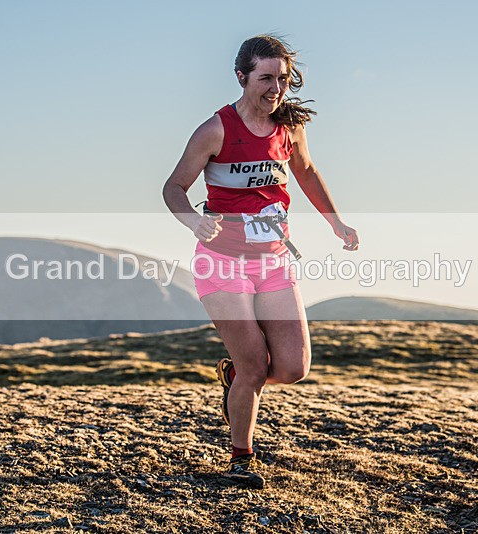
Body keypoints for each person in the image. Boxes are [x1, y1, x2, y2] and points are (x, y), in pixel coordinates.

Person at [162, 35, 359, 489]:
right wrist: (194, 221)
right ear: (242, 77)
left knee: (291, 367)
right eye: (266, 78)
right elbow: (173, 187)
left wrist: (337, 223)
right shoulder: (215, 130)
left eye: (283, 80)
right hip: (221, 261)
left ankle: (233, 377)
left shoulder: (289, 128)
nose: (276, 89)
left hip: (273, 259)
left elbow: (306, 172)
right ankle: (241, 457)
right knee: (254, 365)